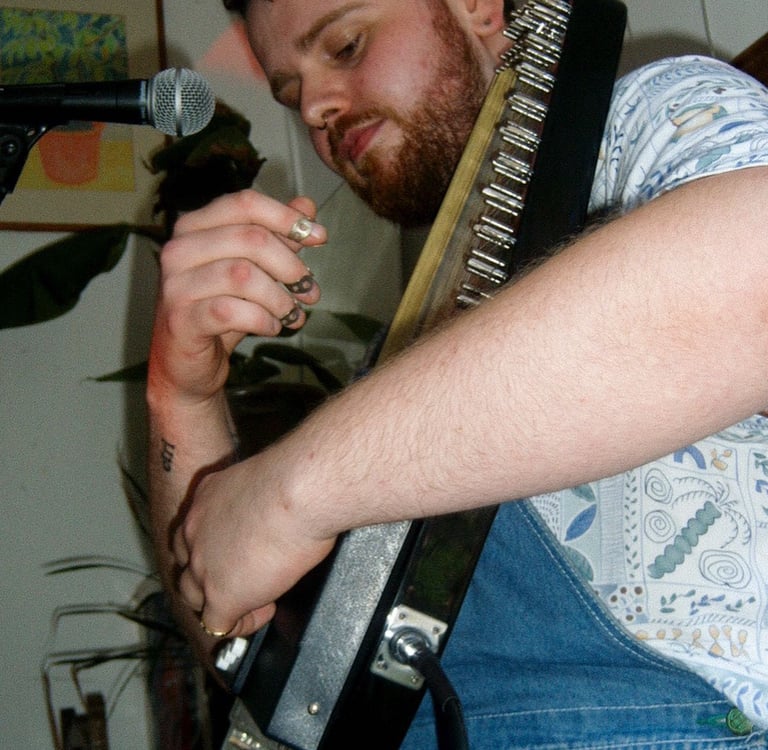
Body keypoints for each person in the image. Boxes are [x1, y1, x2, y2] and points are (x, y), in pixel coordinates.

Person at [146, 0, 768, 747]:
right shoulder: (409, 363)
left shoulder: (652, 122)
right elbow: (262, 667)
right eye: (290, 93)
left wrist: (291, 495)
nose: (314, 109)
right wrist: (181, 395)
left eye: (345, 45)